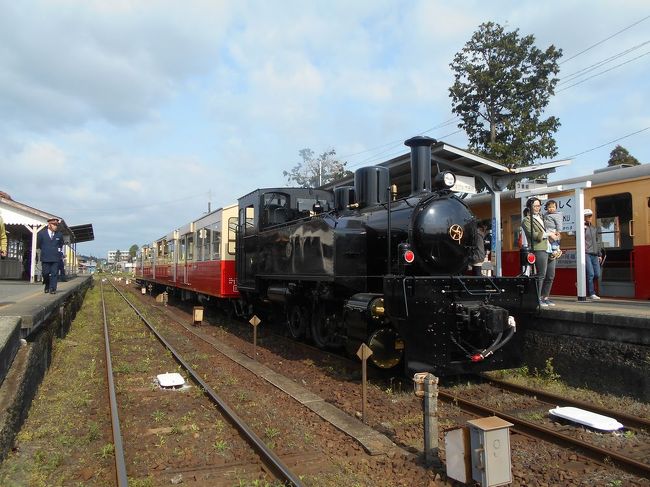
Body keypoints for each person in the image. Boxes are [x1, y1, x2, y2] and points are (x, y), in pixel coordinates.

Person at [522, 197, 558, 307]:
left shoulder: (543, 217)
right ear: (530, 207)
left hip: (549, 247)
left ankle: (545, 297)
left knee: (551, 275)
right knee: (541, 274)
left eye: (539, 206)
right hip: (538, 248)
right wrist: (548, 234)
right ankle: (537, 298)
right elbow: (533, 234)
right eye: (535, 206)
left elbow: (550, 229)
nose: (538, 208)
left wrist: (555, 237)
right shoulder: (527, 220)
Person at [37, 218, 64, 294]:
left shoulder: (59, 234)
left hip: (55, 258)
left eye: (56, 225)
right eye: (54, 225)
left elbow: (61, 244)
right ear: (49, 225)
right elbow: (39, 244)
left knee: (54, 273)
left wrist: (58, 253)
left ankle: (53, 288)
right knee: (45, 273)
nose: (56, 226)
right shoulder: (41, 234)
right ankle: (47, 284)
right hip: (45, 257)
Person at [584, 208, 603, 300]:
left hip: (595, 254)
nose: (589, 218)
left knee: (597, 274)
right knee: (591, 274)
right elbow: (577, 239)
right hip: (586, 253)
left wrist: (599, 254)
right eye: (587, 216)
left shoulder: (594, 228)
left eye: (590, 216)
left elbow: (598, 241)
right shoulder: (582, 228)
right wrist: (582, 229)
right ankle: (591, 293)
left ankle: (582, 284)